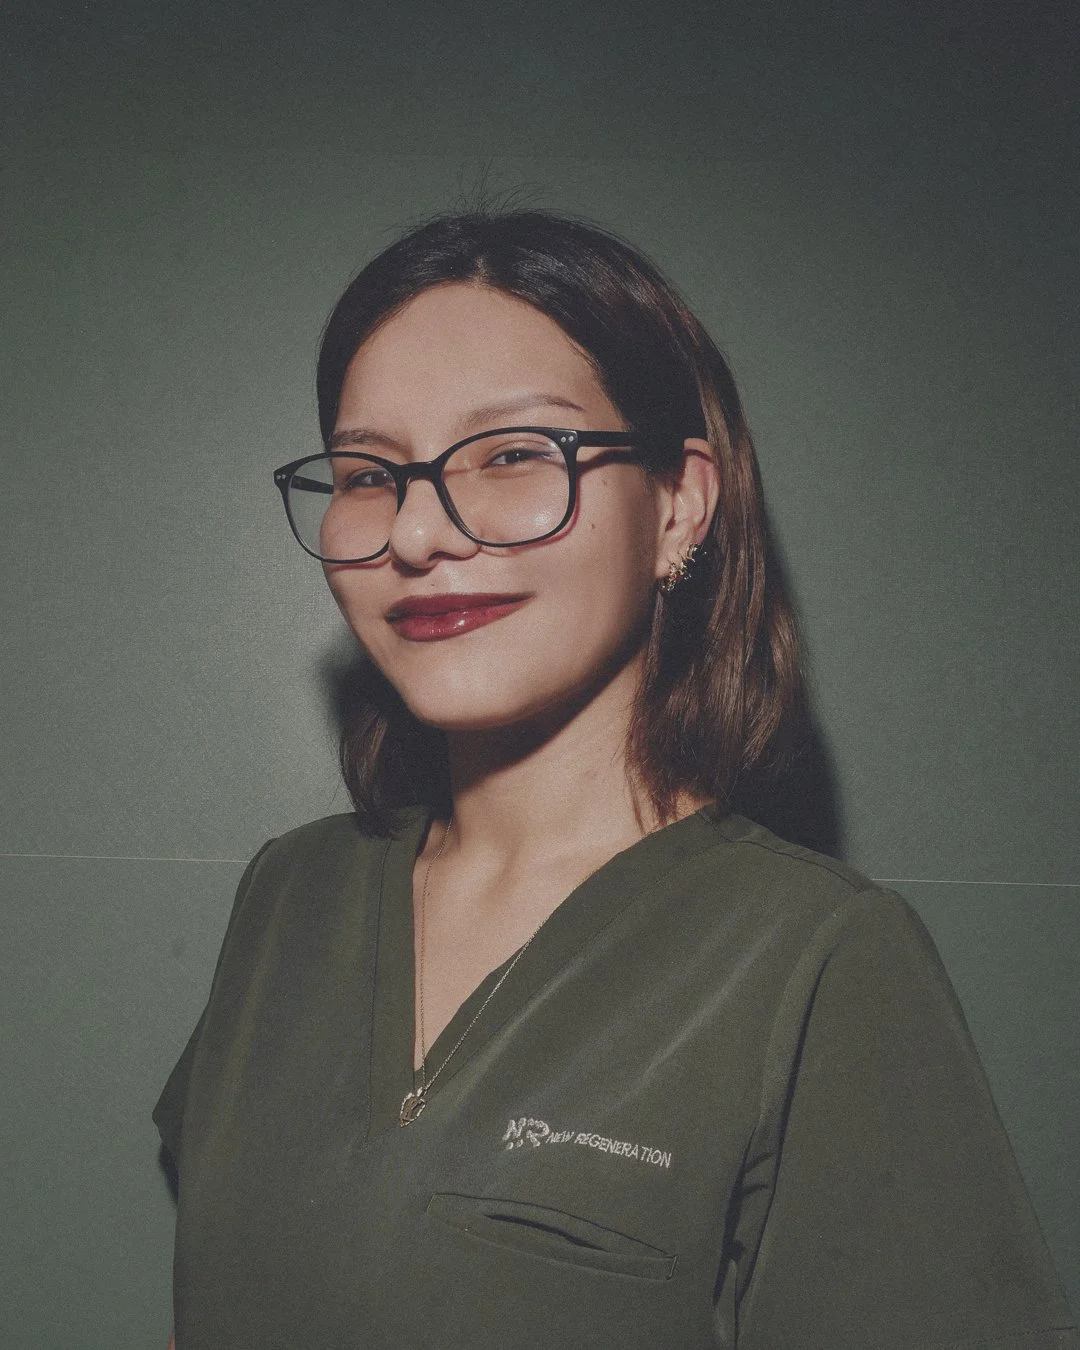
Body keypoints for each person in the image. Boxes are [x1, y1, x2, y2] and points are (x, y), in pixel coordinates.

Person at [155, 209, 1077, 1349]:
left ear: (678, 505)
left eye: (514, 455)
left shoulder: (819, 959)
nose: (419, 529)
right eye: (368, 473)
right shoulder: (289, 893)